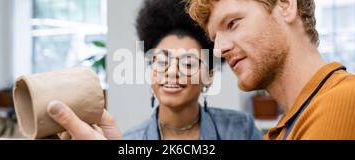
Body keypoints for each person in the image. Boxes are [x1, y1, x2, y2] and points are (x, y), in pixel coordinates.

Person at [46, 0, 262, 140]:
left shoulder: (240, 130)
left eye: (188, 63)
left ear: (209, 76)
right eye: (160, 61)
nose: (171, 71)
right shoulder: (130, 141)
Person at [185, 0, 355, 139]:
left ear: (285, 5)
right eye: (214, 39)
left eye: (232, 23)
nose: (220, 50)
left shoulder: (350, 102)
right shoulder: (286, 128)